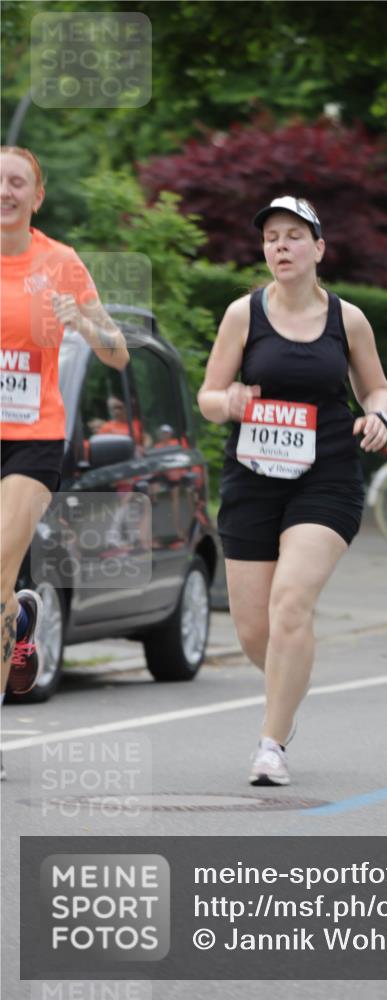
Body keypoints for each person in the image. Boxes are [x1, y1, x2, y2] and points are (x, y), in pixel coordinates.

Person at [198, 195, 387, 786]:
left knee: (291, 604)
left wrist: (378, 418)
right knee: (256, 630)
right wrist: (226, 401)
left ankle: (270, 745)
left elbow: (377, 389)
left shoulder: (347, 319)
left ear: (318, 249)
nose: (280, 246)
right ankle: (289, 689)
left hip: (326, 478)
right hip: (252, 481)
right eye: (271, 238)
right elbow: (209, 394)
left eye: (292, 236)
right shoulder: (243, 314)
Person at [0, 147, 129, 755]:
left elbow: (117, 350)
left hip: (31, 440)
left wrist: (81, 319)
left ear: (37, 196)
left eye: (16, 181)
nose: (4, 191)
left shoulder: (61, 263)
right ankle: (19, 624)